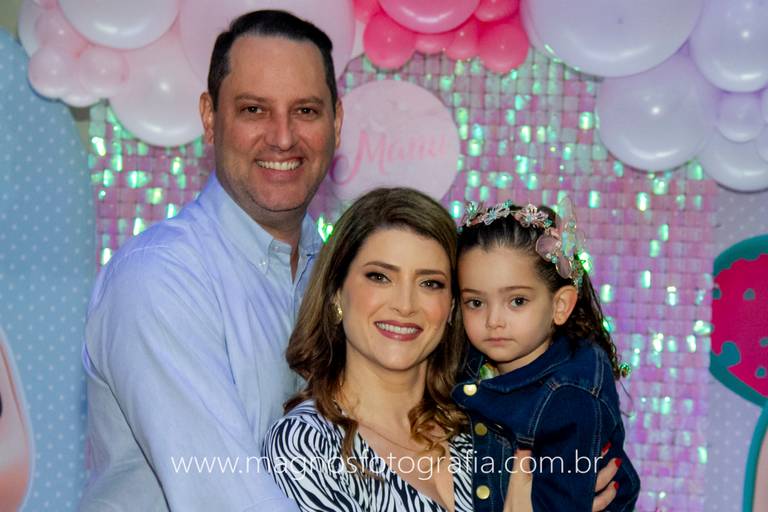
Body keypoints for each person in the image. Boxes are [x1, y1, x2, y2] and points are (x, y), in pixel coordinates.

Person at [80, 10, 341, 511]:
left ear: (337, 123)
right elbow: (224, 496)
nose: (283, 137)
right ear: (209, 117)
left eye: (306, 110)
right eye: (254, 110)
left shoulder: (342, 280)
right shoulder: (159, 279)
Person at [262, 188, 620, 512]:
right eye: (380, 277)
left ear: (452, 306)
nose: (405, 305)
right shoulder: (307, 444)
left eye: (430, 283)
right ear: (336, 292)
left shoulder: (486, 424)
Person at [452, 199, 641, 511]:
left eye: (517, 301)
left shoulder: (570, 394)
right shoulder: (464, 364)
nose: (493, 320)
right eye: (476, 302)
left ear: (560, 305)